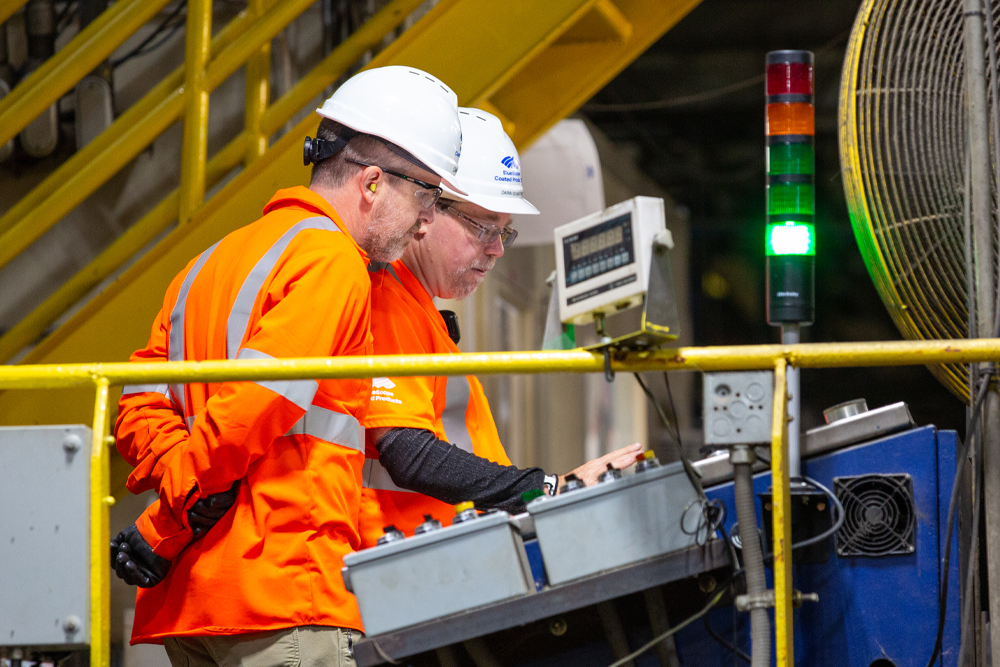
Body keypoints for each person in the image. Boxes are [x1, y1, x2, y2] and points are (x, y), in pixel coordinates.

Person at [110, 65, 463, 666]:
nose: (428, 220)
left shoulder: (211, 261)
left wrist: (178, 499)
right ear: (374, 183)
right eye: (426, 196)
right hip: (279, 595)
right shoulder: (330, 262)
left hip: (194, 607)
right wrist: (164, 524)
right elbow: (253, 407)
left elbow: (138, 406)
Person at [360, 108, 642, 546]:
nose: (496, 250)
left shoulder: (421, 315)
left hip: (433, 561)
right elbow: (410, 455)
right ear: (426, 210)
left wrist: (545, 492)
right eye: (483, 227)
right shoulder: (385, 302)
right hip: (396, 573)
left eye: (504, 233)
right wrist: (550, 489)